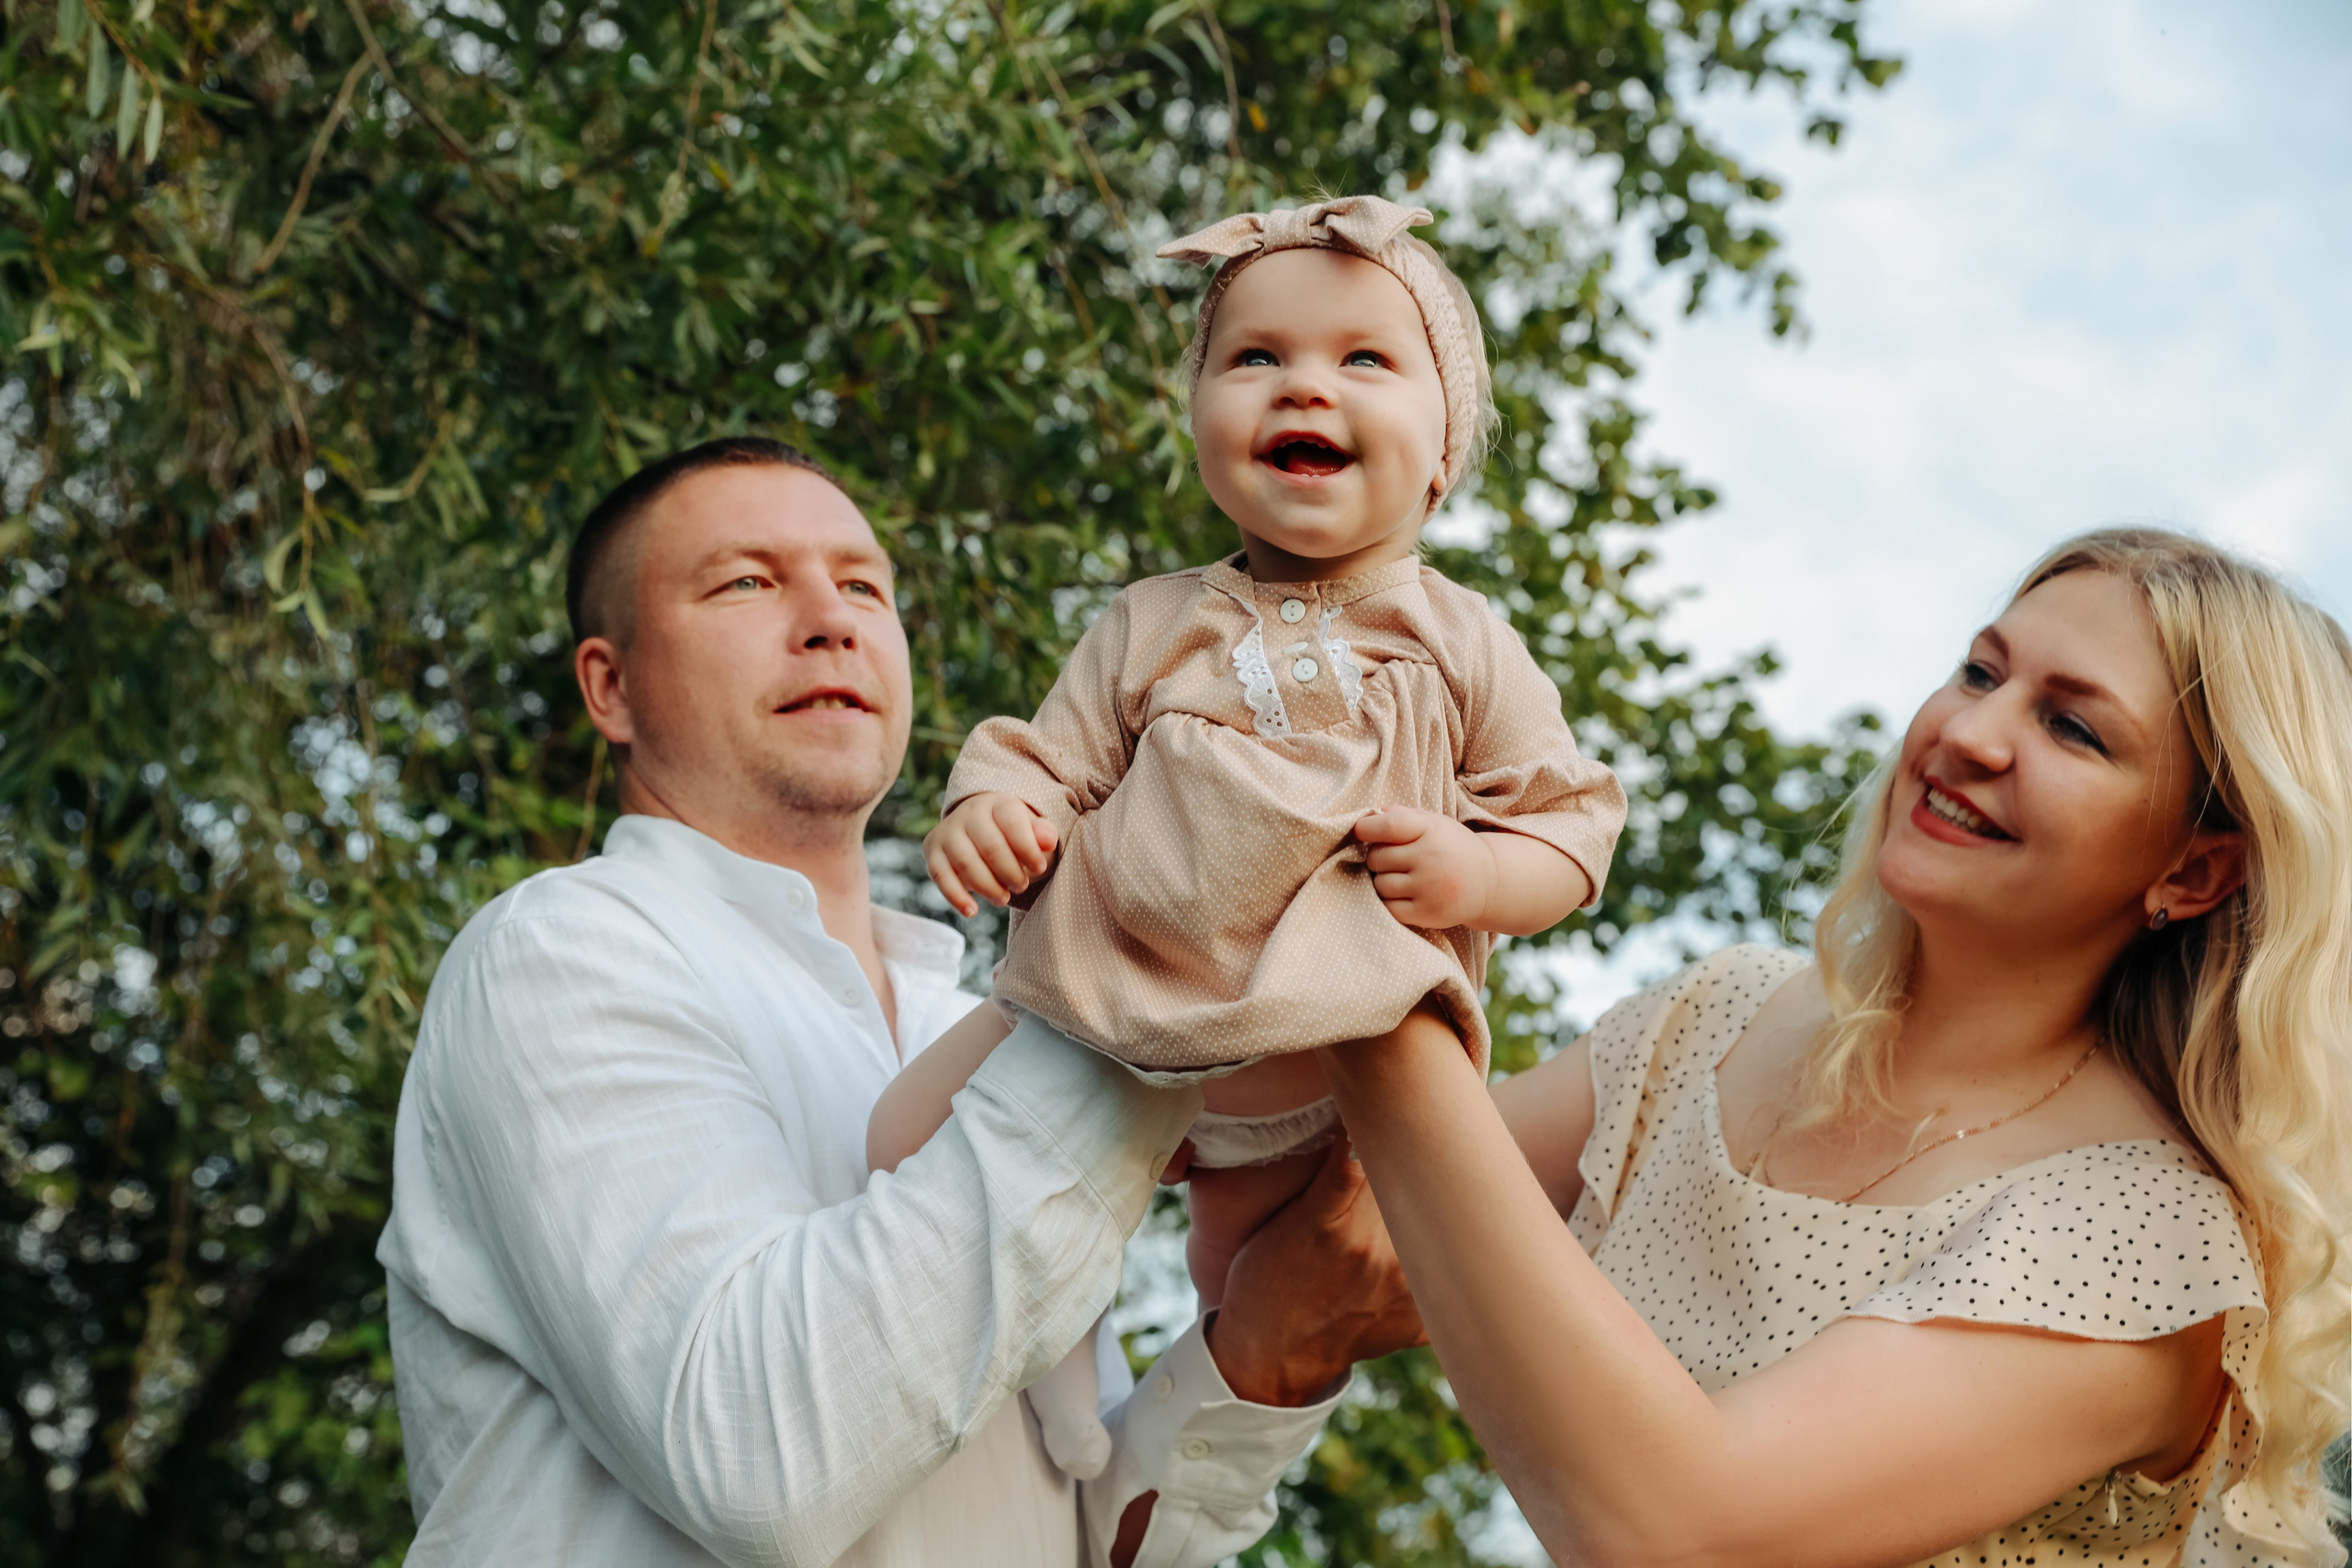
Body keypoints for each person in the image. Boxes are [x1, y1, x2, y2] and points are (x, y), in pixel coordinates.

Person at [374, 438, 1425, 1568]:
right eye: (745, 581)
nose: (833, 620)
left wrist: (1269, 1351)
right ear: (610, 685)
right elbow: (761, 1462)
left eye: (864, 585)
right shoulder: (561, 952)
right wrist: (1165, 950)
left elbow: (1072, 1528)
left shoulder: (960, 1035)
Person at [1318, 528, 2352, 1566]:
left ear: (2195, 871)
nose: (1970, 735)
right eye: (1979, 672)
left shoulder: (2152, 1237)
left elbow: (1680, 1533)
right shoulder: (1715, 1015)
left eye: (2072, 728)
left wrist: (1367, 964)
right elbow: (1349, 1243)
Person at [863, 195, 1627, 1476]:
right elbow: (1047, 760)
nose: (1301, 386)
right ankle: (1067, 1333)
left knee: (1250, 1281)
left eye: (1364, 359)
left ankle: (1160, 1447)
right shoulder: (1155, 622)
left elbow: (1570, 822)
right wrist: (999, 811)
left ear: (1444, 449)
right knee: (900, 1137)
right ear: (1201, 420)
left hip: (1317, 1063)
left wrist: (1480, 869)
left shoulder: (1457, 635)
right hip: (1103, 1000)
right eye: (1255, 356)